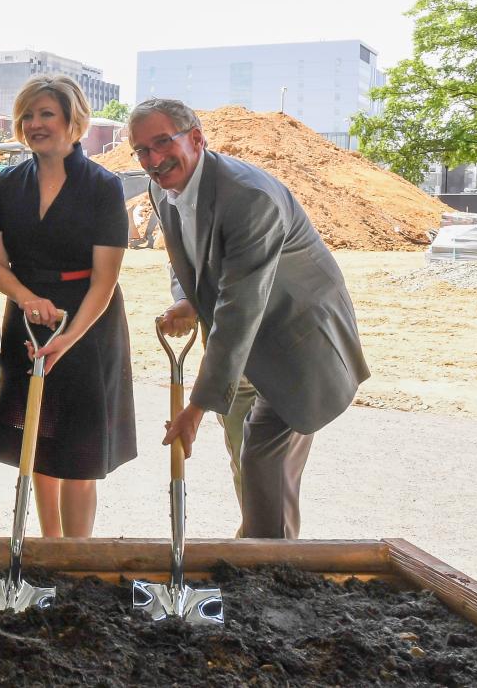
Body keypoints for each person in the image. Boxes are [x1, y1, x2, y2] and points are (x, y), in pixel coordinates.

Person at [134, 98, 369, 539]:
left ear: (197, 138)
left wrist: (197, 406)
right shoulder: (163, 191)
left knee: (264, 460)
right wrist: (186, 298)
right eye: (141, 150)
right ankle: (258, 553)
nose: (153, 159)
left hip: (295, 341)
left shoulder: (249, 197)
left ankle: (271, 576)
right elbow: (186, 256)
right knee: (245, 455)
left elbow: (240, 307)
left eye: (162, 143)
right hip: (239, 348)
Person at [0, 76, 135, 538]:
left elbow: (105, 279)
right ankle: (48, 550)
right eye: (27, 116)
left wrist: (68, 340)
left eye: (46, 114)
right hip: (28, 322)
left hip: (88, 326)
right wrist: (28, 300)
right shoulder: (8, 184)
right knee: (38, 441)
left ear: (73, 121)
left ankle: (77, 557)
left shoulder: (104, 187)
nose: (35, 124)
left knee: (79, 453)